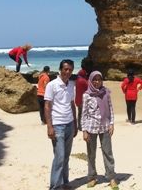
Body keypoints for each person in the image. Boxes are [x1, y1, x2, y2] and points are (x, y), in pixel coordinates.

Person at [44, 59, 77, 190]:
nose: (67, 72)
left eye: (70, 70)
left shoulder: (71, 85)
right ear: (60, 70)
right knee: (59, 157)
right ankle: (55, 187)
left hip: (69, 124)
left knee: (66, 157)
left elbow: (72, 104)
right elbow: (47, 106)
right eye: (65, 69)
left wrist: (75, 123)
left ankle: (64, 182)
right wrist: (49, 126)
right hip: (57, 125)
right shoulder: (52, 85)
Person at [81, 71, 118, 189]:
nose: (97, 82)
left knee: (108, 153)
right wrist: (84, 130)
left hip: (105, 127)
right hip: (91, 127)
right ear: (90, 81)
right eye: (94, 79)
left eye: (99, 79)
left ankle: (111, 177)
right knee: (91, 154)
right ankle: (92, 177)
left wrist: (111, 124)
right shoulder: (86, 95)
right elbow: (84, 114)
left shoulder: (106, 93)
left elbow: (111, 109)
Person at [75, 65, 89, 131]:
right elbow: (89, 87)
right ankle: (82, 126)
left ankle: (79, 126)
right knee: (84, 113)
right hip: (82, 100)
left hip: (77, 99)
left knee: (80, 113)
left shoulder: (77, 80)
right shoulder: (83, 81)